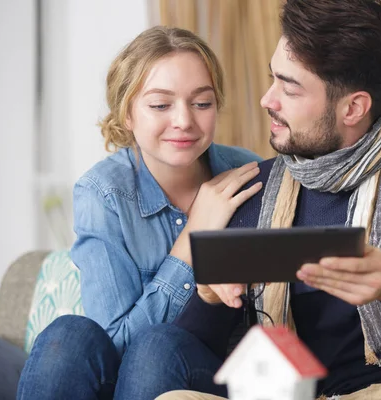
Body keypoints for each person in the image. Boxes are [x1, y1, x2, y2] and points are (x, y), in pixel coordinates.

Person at [120, 1, 381, 399]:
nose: (267, 100)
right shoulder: (255, 189)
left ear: (353, 107)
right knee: (162, 362)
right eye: (272, 78)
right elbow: (193, 354)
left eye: (289, 88)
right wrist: (212, 295)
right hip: (286, 394)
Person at [16, 26, 263, 400]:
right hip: (126, 375)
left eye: (201, 103)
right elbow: (114, 344)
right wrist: (193, 237)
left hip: (213, 372)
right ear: (127, 114)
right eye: (161, 105)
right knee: (67, 335)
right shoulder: (103, 193)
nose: (183, 120)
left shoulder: (248, 175)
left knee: (157, 348)